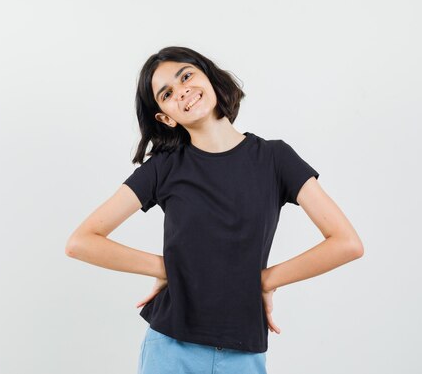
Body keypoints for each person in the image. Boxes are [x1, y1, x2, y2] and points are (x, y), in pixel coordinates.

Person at [65, 46, 364, 374]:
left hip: (243, 351)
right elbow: (82, 241)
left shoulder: (276, 159)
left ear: (207, 76)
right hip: (170, 346)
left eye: (186, 76)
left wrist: (268, 280)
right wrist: (165, 268)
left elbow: (346, 243)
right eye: (167, 93)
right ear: (165, 117)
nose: (183, 92)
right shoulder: (164, 168)